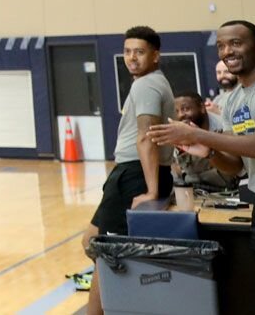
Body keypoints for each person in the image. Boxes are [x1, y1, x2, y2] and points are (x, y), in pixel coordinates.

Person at [148, 20, 255, 283]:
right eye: (222, 46)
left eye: (236, 43)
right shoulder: (234, 101)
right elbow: (237, 166)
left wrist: (198, 134)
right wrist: (209, 152)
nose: (227, 51)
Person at [81, 26, 174, 315]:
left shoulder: (145, 85)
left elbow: (146, 137)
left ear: (155, 55)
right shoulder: (150, 82)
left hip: (135, 175)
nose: (132, 57)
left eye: (140, 52)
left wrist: (151, 191)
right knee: (93, 242)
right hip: (131, 173)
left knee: (104, 250)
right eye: (127, 51)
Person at [170, 94, 237, 192]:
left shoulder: (223, 126)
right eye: (176, 112)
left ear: (202, 107)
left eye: (185, 109)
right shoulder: (179, 130)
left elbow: (234, 167)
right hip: (196, 190)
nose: (180, 115)